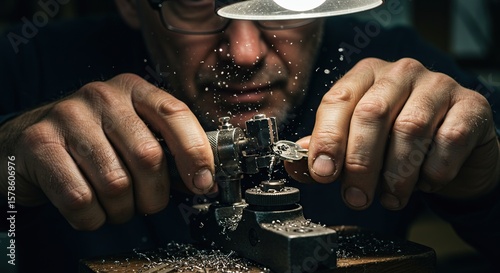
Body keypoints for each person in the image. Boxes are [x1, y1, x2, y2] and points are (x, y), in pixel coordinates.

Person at [1, 0, 499, 272]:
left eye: (279, 3)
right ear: (132, 6)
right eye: (199, 5)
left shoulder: (396, 62)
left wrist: (486, 184)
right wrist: (7, 170)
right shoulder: (30, 64)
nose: (244, 53)